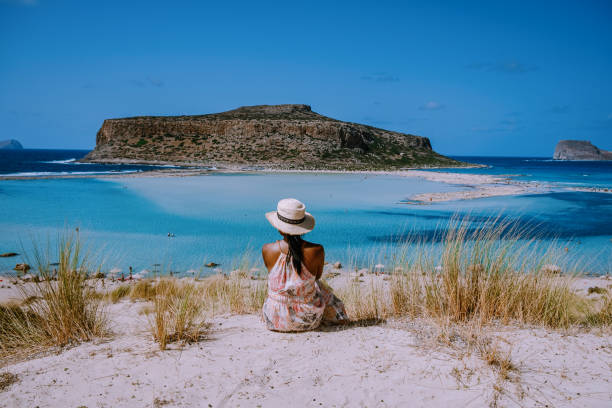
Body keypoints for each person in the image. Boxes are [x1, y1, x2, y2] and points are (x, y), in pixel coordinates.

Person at [262, 198, 349, 332]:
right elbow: (317, 277)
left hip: (274, 319)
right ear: (303, 228)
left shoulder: (267, 249)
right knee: (320, 287)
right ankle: (339, 317)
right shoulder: (317, 250)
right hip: (308, 320)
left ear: (279, 228)